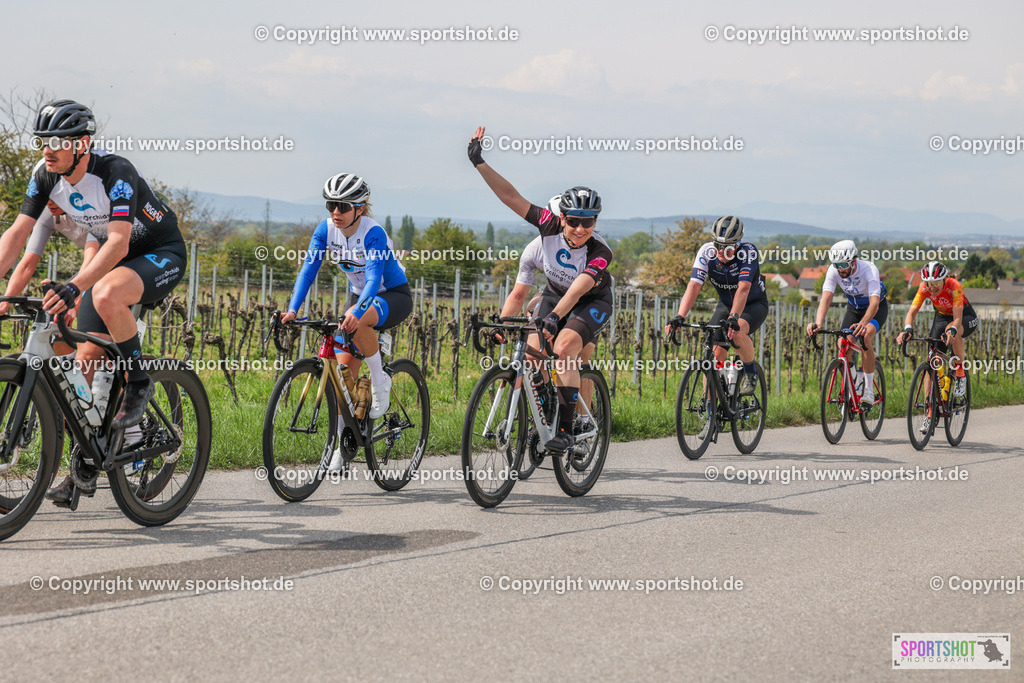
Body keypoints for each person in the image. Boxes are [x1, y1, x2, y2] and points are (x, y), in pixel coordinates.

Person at [0, 99, 186, 505]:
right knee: (83, 363)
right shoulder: (45, 176)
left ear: (82, 144)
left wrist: (74, 286)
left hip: (158, 252)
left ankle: (138, 381)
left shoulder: (116, 173)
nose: (47, 149)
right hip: (111, 258)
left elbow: (118, 242)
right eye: (42, 141)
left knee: (103, 293)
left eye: (57, 141)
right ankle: (87, 459)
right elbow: (17, 235)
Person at [469, 126, 614, 454]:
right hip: (553, 294)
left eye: (588, 222)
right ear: (562, 218)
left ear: (595, 222)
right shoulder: (546, 227)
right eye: (574, 220)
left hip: (590, 302)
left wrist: (554, 319)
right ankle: (544, 410)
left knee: (563, 350)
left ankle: (565, 428)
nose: (580, 229)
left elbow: (577, 292)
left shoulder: (600, 253)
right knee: (532, 355)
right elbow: (511, 197)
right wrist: (479, 162)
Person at [280, 173, 411, 471]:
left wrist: (356, 312)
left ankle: (380, 381)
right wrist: (292, 309)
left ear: (360, 208)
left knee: (360, 320)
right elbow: (307, 271)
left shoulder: (373, 232)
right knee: (343, 376)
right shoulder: (325, 230)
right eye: (330, 205)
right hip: (359, 297)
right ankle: (344, 443)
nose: (335, 212)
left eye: (342, 206)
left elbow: (375, 278)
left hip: (392, 294)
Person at [666, 216, 768, 396]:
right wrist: (680, 316)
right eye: (717, 246)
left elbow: (743, 288)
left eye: (727, 247)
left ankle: (750, 373)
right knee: (714, 356)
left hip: (753, 304)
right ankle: (710, 409)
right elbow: (694, 285)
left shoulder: (748, 252)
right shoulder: (706, 252)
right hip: (726, 304)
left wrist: (734, 317)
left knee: (737, 333)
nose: (721, 251)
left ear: (737, 245)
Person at [895, 261, 978, 432]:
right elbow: (911, 312)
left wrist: (953, 330)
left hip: (964, 317)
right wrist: (907, 329)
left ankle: (960, 372)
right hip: (941, 316)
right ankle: (930, 410)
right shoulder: (923, 287)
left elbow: (956, 318)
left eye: (936, 283)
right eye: (928, 283)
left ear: (944, 279)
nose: (932, 287)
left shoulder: (953, 285)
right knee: (933, 360)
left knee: (952, 331)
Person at [806, 240, 887, 404]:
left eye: (844, 264)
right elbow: (826, 298)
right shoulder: (833, 270)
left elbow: (874, 304)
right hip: (854, 307)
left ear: (853, 261)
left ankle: (869, 391)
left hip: (874, 308)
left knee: (865, 337)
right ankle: (856, 382)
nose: (840, 269)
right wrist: (818, 323)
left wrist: (864, 323)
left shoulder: (869, 270)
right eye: (837, 265)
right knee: (843, 344)